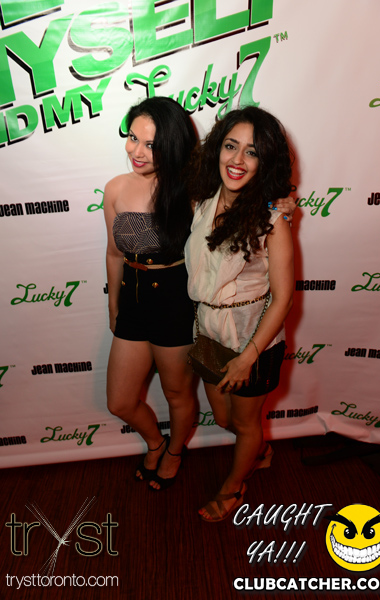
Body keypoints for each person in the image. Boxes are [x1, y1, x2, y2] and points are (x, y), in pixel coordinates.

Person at [185, 106, 294, 520]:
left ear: (265, 161)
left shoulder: (273, 221)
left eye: (252, 152)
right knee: (224, 418)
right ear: (217, 148)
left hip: (254, 342)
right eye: (231, 146)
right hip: (210, 332)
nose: (237, 160)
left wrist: (249, 356)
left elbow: (283, 299)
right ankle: (260, 451)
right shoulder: (202, 201)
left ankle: (233, 488)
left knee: (246, 424)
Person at [104, 97, 197, 490]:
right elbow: (114, 253)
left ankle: (174, 451)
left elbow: (247, 201)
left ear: (171, 145)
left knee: (177, 392)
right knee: (120, 401)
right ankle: (155, 441)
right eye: (132, 138)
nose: (137, 152)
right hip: (133, 296)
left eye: (151, 144)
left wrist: (282, 204)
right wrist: (113, 304)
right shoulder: (115, 188)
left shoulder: (193, 191)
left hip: (176, 300)